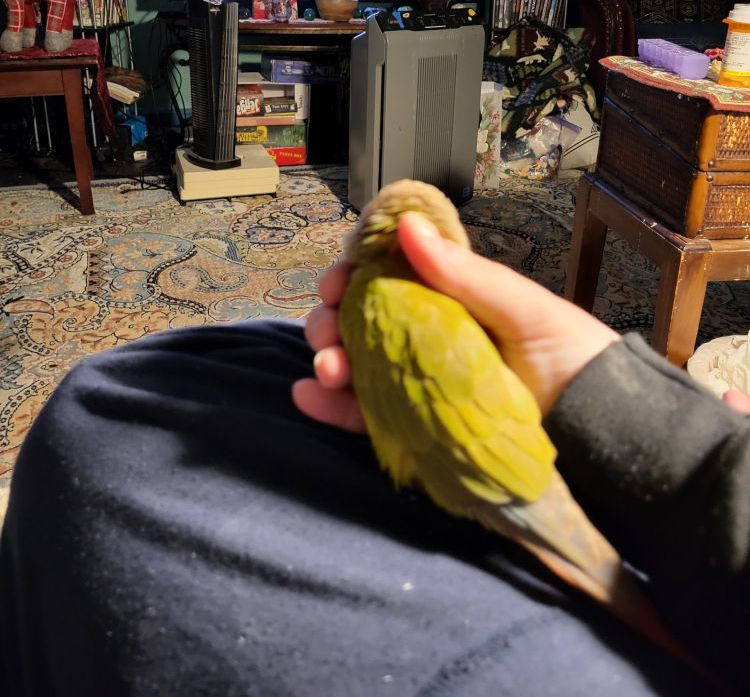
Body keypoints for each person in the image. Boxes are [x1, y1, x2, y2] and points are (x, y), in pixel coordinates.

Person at [1, 214, 748, 694]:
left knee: (103, 402)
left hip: (512, 521)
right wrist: (631, 411)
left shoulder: (379, 302)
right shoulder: (397, 306)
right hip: (603, 475)